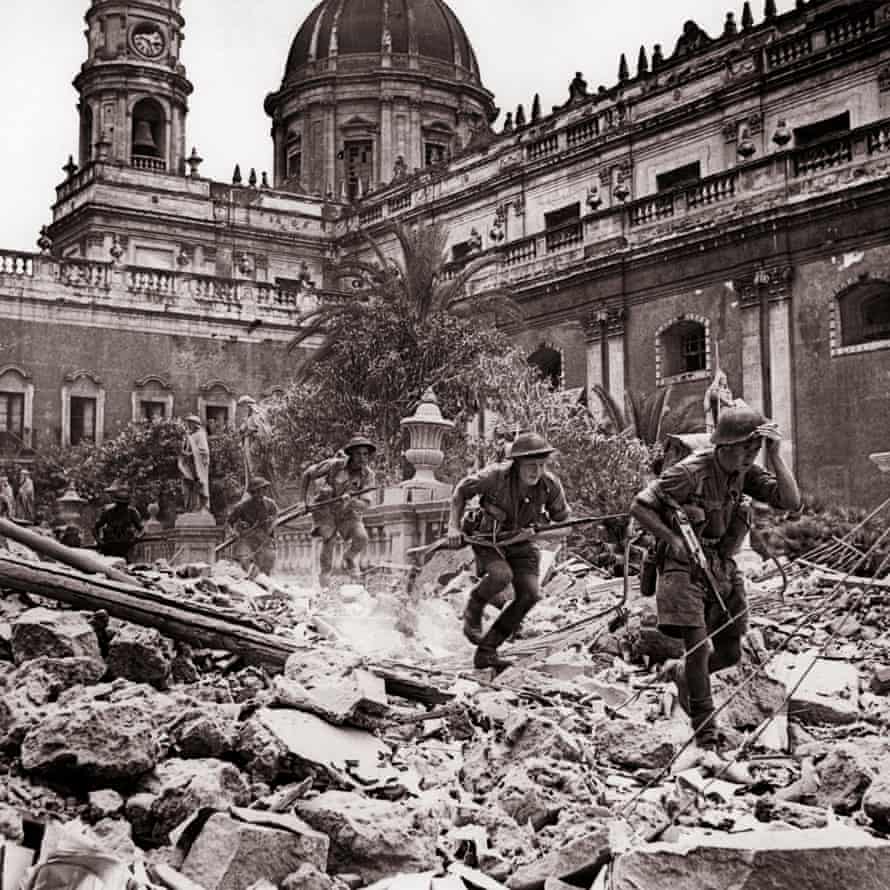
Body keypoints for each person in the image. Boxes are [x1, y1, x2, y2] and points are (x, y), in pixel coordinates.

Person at [630, 405, 800, 750]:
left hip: (721, 564)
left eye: (755, 449)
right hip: (682, 564)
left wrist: (775, 456)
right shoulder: (689, 473)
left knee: (730, 653)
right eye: (745, 449)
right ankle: (705, 730)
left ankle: (681, 676)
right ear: (723, 446)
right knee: (697, 645)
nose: (750, 456)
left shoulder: (746, 472)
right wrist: (673, 540)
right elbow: (640, 507)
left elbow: (790, 502)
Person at [447, 431, 571, 671]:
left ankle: (487, 651)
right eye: (530, 466)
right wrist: (453, 527)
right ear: (517, 464)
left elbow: (565, 527)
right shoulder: (494, 476)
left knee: (530, 594)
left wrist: (537, 534)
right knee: (501, 575)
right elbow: (461, 491)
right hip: (489, 539)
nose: (536, 471)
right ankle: (475, 604)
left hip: (523, 544)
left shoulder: (550, 485)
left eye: (541, 465)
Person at [301, 435, 377, 588]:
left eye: (365, 454)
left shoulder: (368, 475)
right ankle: (325, 580)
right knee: (329, 540)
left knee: (362, 538)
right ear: (351, 454)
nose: (362, 458)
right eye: (358, 454)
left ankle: (349, 558)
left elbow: (365, 504)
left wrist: (352, 502)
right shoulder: (334, 465)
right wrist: (302, 501)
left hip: (348, 513)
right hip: (325, 509)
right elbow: (307, 475)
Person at [226, 476, 279, 576]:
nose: (259, 494)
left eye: (262, 490)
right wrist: (233, 532)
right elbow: (229, 522)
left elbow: (276, 518)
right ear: (251, 493)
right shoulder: (242, 506)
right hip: (248, 538)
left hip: (265, 538)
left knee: (267, 564)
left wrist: (271, 525)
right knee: (245, 564)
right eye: (256, 491)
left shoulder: (270, 504)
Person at [94, 485, 144, 560]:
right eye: (120, 504)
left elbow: (142, 529)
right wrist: (99, 541)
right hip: (109, 546)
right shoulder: (108, 512)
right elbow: (95, 528)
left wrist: (136, 538)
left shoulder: (131, 512)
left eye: (124, 504)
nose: (122, 507)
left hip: (125, 546)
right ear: (116, 503)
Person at [178, 415, 211, 513]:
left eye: (190, 423)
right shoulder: (188, 436)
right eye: (188, 423)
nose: (188, 425)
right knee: (187, 487)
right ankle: (190, 508)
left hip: (197, 466)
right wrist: (183, 453)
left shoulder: (200, 435)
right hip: (188, 466)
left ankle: (199, 507)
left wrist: (191, 454)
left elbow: (204, 451)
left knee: (198, 485)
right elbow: (184, 450)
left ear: (195, 424)